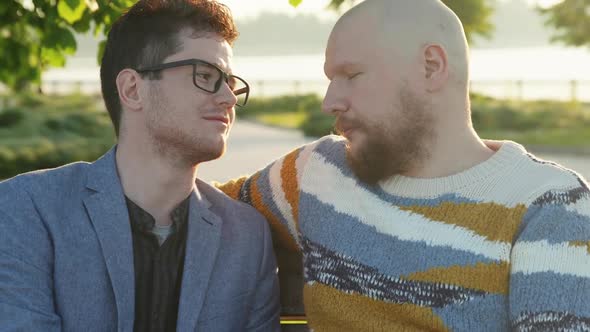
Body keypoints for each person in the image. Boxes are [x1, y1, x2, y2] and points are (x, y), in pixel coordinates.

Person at [217, 0, 590, 330]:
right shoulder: (315, 174)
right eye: (331, 79)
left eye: (351, 75)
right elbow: (198, 210)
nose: (330, 102)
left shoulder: (550, 206)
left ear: (431, 66)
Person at [0, 0, 280, 331]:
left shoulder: (247, 236)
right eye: (206, 76)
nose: (229, 99)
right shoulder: (27, 209)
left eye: (231, 84)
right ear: (133, 90)